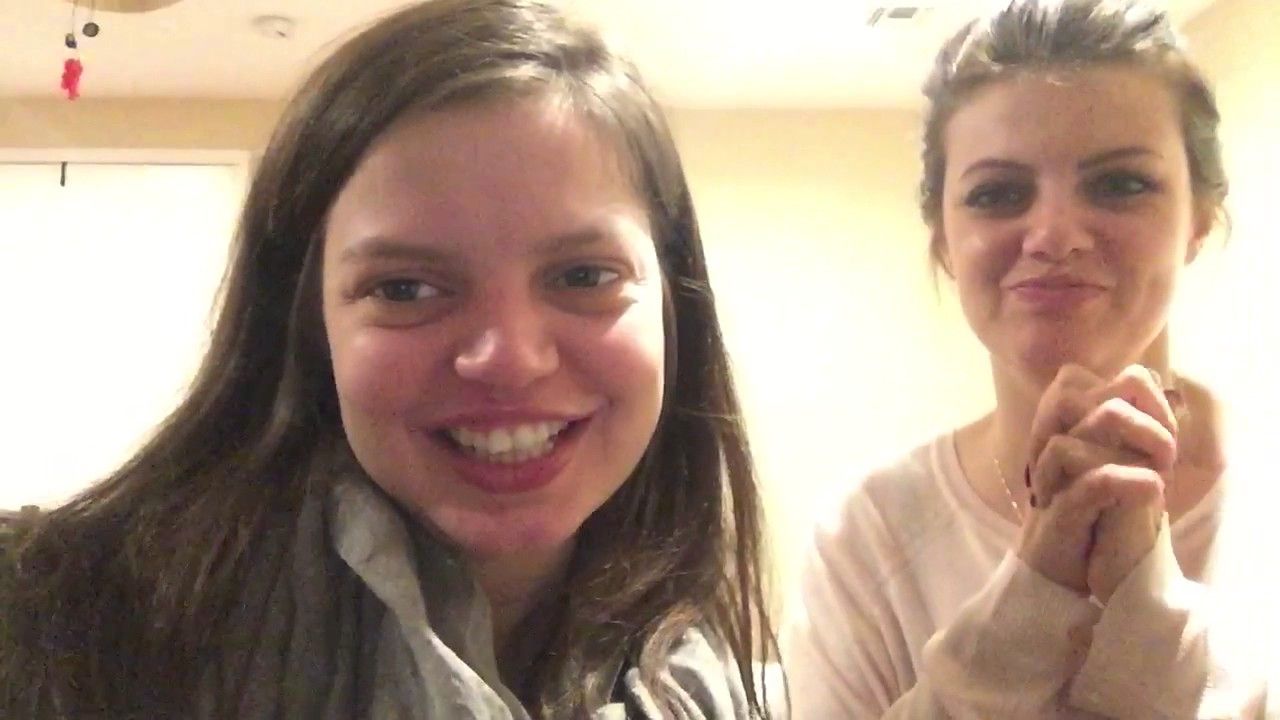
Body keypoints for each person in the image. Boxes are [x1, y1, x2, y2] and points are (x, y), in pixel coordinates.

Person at [0, 1, 780, 717]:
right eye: (405, 288)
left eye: (583, 276)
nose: (510, 360)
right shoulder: (54, 634)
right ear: (308, 325)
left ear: (674, 303)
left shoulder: (696, 683)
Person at [782, 0, 1268, 717]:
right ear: (944, 241)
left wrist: (1145, 604)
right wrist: (1029, 603)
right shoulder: (867, 539)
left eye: (1120, 183)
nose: (1054, 235)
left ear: (1199, 218)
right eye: (999, 193)